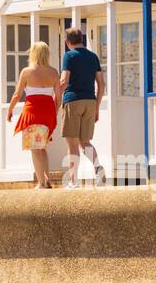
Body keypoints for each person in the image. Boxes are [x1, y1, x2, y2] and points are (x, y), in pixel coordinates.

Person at [6, 42, 61, 188]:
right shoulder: (54, 72)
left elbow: (17, 95)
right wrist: (54, 112)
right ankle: (47, 179)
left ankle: (41, 182)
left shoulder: (26, 72)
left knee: (35, 149)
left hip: (33, 112)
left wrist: (10, 109)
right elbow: (59, 98)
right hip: (48, 112)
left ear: (33, 54)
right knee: (42, 147)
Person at [60, 28, 106, 187]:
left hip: (73, 101)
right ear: (82, 39)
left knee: (72, 144)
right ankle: (98, 168)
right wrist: (97, 107)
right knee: (85, 141)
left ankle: (73, 182)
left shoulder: (69, 56)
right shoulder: (93, 57)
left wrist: (55, 95)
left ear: (68, 42)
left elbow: (64, 80)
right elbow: (101, 83)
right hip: (90, 102)